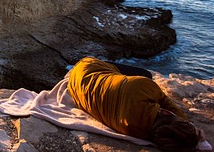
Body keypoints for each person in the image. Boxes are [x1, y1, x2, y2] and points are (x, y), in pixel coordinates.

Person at [67, 57, 206, 151]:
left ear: (166, 113)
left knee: (146, 74)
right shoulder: (138, 132)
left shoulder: (142, 86)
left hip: (86, 68)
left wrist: (189, 125)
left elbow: (167, 103)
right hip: (76, 85)